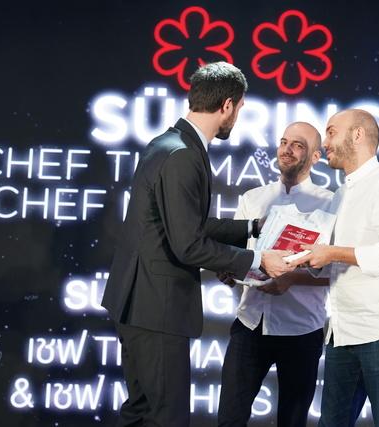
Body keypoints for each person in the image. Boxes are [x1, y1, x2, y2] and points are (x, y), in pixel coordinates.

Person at [101, 62, 292, 427]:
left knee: (141, 413)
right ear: (227, 105)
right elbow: (187, 244)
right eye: (240, 108)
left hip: (139, 303)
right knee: (165, 418)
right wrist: (258, 260)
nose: (237, 117)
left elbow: (184, 224)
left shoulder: (167, 144)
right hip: (156, 307)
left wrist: (251, 227)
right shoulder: (184, 155)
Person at [294, 109, 379, 427]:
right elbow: (336, 262)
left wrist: (332, 253)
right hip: (342, 332)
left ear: (358, 135)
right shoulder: (339, 195)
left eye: (331, 132)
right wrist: (303, 260)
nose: (325, 143)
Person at [217, 122, 333, 427]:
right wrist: (227, 269)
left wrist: (292, 278)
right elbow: (235, 252)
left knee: (292, 422)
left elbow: (338, 270)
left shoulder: (331, 204)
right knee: (229, 420)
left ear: (316, 157)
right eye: (283, 142)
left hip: (301, 329)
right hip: (250, 323)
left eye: (298, 145)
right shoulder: (253, 198)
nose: (287, 150)